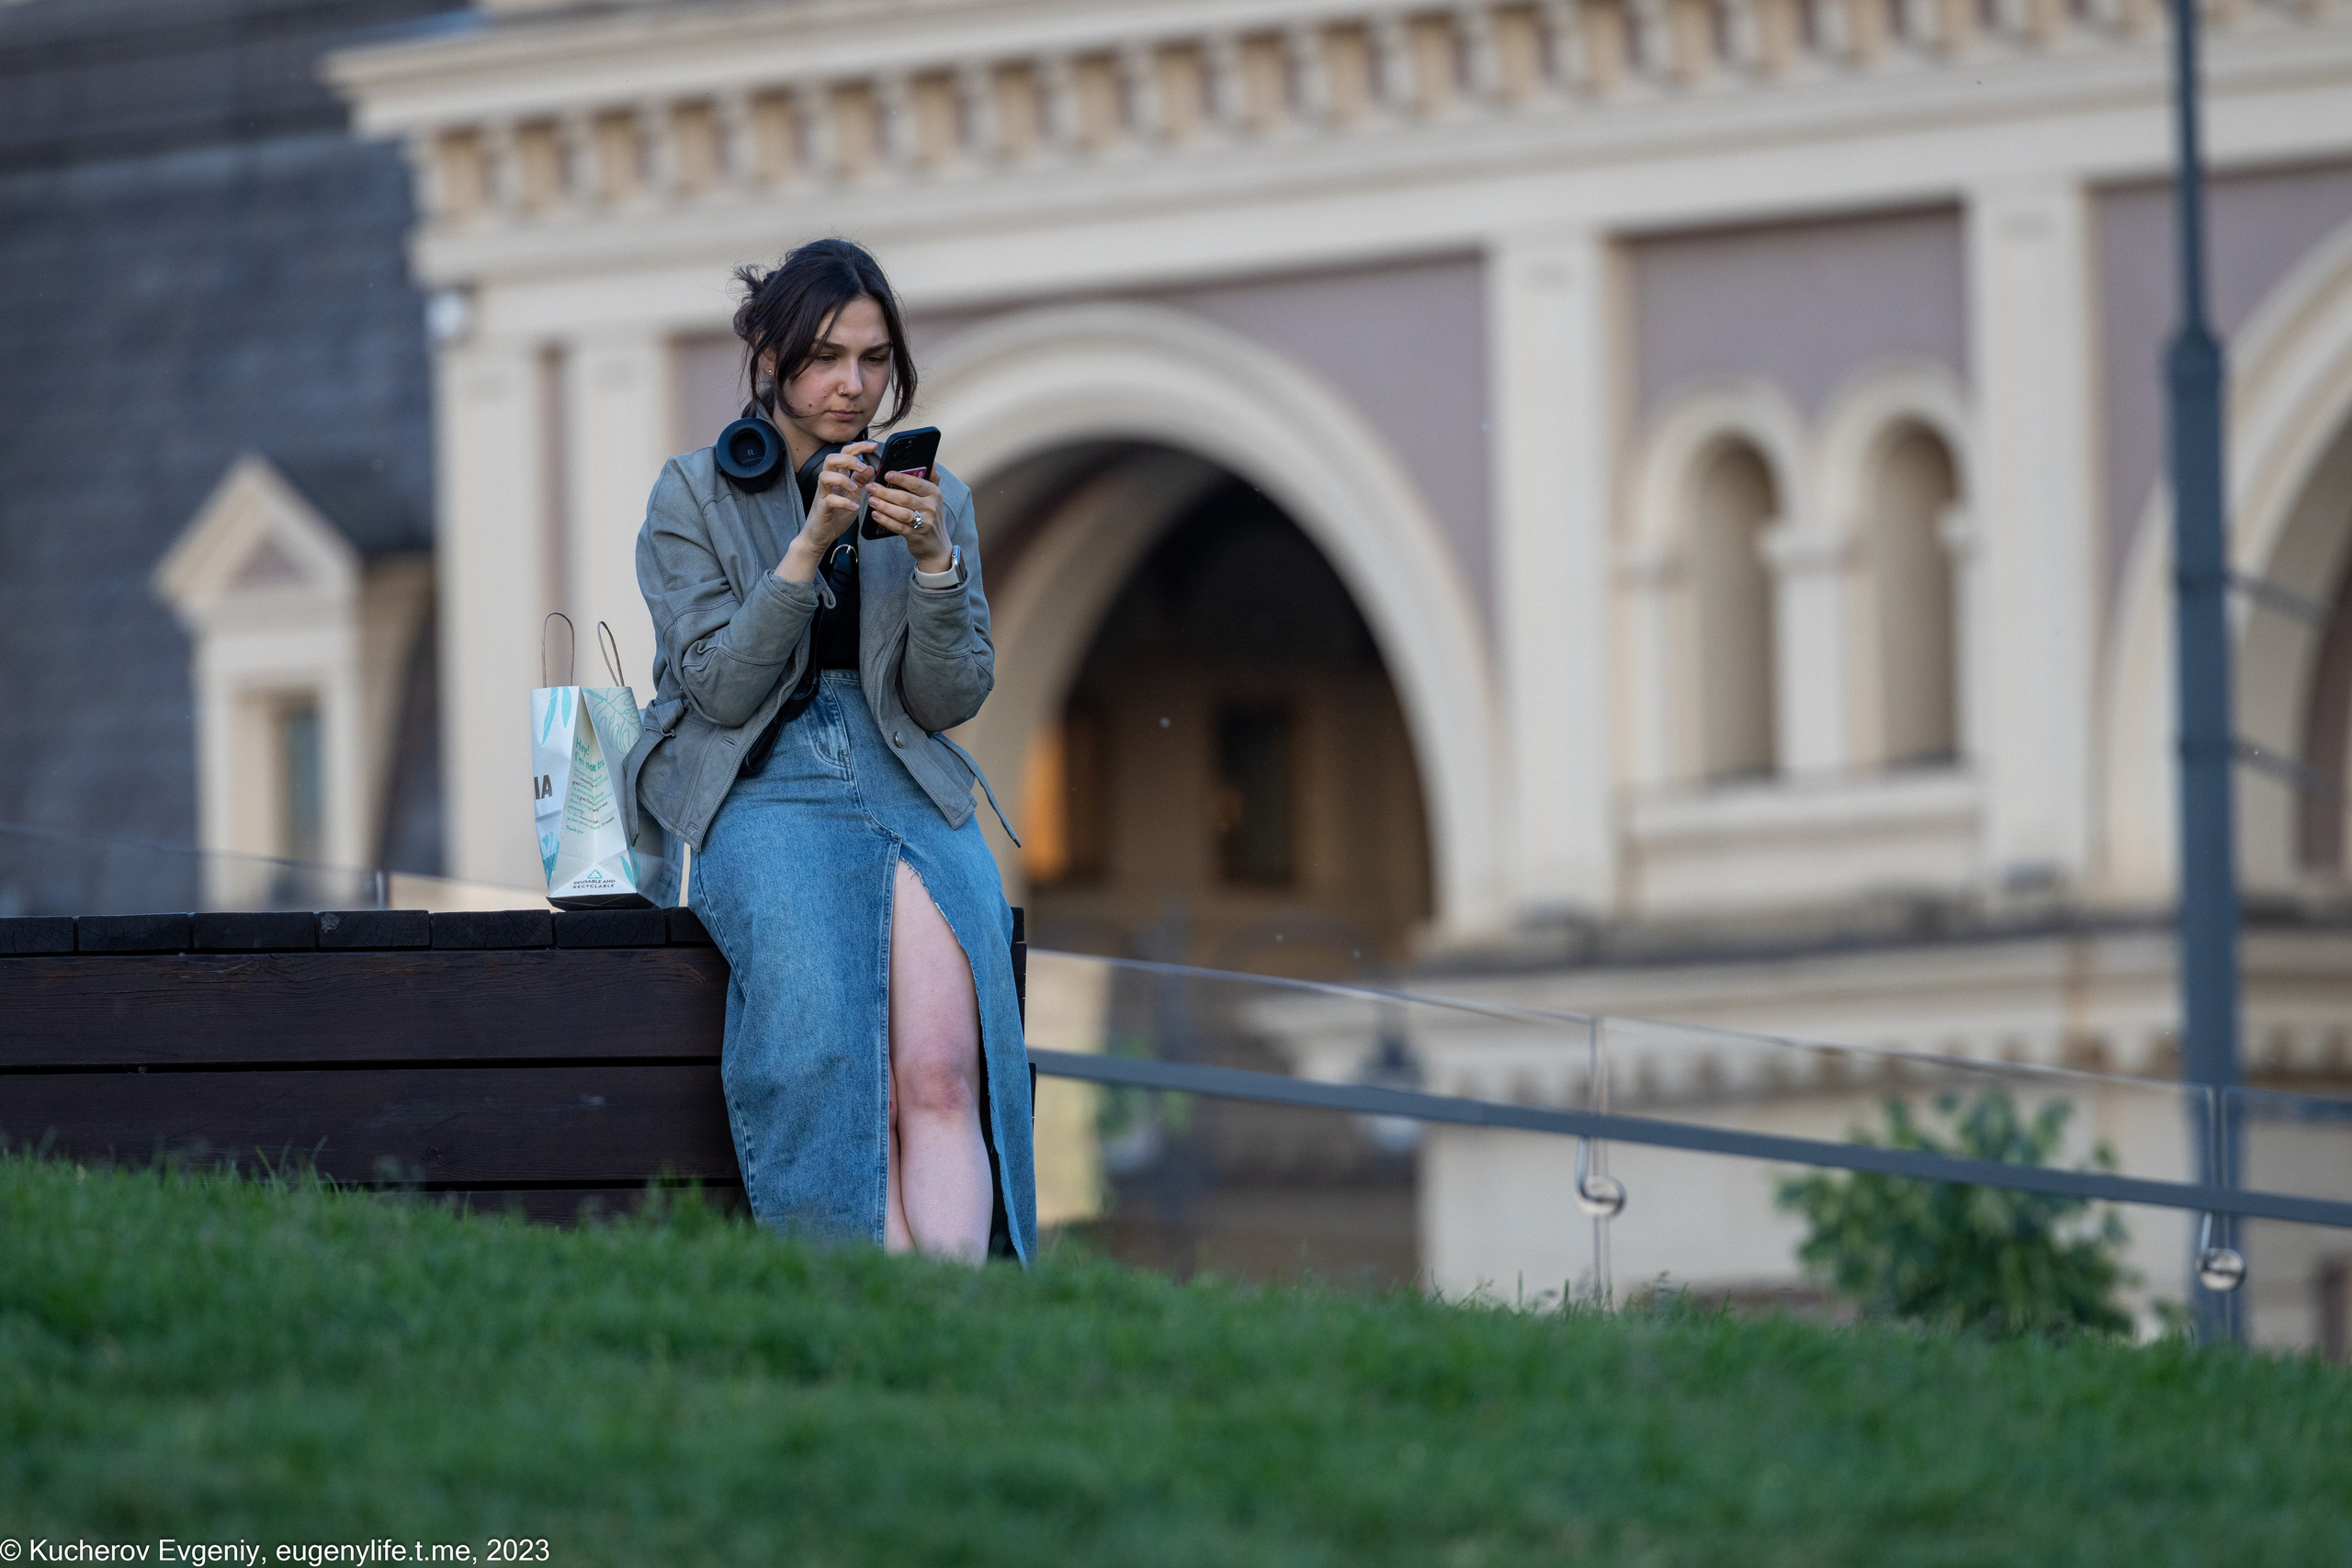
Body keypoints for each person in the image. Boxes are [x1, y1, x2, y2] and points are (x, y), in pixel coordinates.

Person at [624, 237, 1032, 1263]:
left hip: (906, 776)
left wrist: (934, 565)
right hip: (762, 783)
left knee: (941, 1072)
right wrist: (806, 549)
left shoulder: (938, 501)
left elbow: (950, 697)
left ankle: (958, 1319)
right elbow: (718, 688)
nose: (854, 384)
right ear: (769, 358)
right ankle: (864, 1303)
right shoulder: (692, 496)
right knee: (832, 1069)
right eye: (825, 357)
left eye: (875, 358)